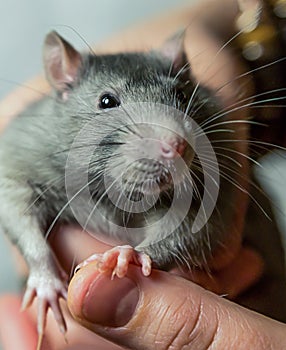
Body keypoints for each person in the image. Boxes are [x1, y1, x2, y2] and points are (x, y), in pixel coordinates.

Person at [0, 0, 285, 348]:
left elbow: (205, 229)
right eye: (108, 104)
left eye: (175, 97)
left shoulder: (211, 147)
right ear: (63, 77)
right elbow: (10, 184)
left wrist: (145, 256)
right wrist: (41, 267)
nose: (173, 141)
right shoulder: (31, 140)